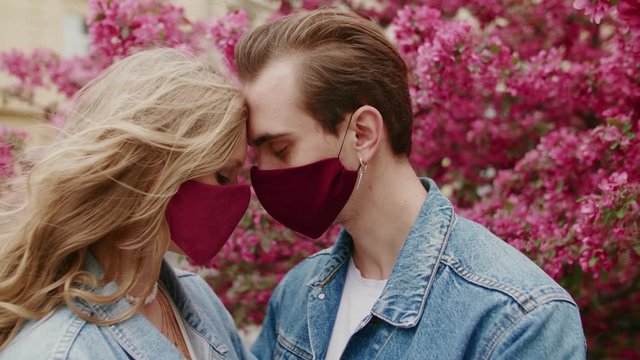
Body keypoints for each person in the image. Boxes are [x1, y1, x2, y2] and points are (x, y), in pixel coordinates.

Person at [235, 9, 586, 359]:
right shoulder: (296, 295)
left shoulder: (517, 318)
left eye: (280, 149)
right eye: (258, 154)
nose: (263, 173)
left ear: (363, 134)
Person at [0, 48, 255, 360]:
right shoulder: (61, 352)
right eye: (224, 175)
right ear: (156, 171)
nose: (237, 198)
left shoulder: (199, 300)